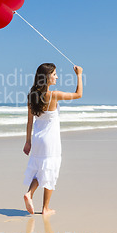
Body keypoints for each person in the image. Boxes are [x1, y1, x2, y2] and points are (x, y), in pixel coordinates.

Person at [23, 63, 83, 215]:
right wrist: (79, 75)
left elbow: (29, 122)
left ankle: (29, 193)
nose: (56, 76)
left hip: (37, 139)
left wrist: (28, 142)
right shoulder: (53, 95)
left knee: (40, 170)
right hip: (50, 141)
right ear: (47, 77)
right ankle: (45, 208)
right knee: (50, 170)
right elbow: (78, 94)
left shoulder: (32, 96)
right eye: (54, 74)